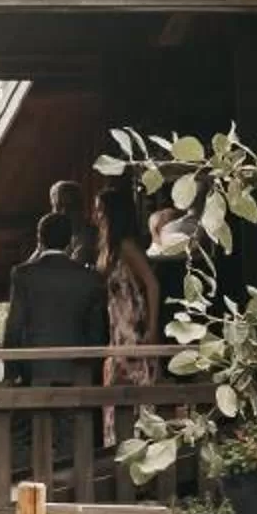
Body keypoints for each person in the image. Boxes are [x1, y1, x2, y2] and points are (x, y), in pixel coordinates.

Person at [3, 210, 110, 385]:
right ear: (70, 240)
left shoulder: (24, 274)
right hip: (78, 369)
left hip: (34, 367)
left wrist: (11, 370)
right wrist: (94, 370)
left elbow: (15, 324)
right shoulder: (90, 278)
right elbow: (96, 330)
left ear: (40, 239)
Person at [96, 182, 163, 432]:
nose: (97, 216)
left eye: (101, 210)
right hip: (119, 335)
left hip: (135, 330)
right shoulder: (110, 250)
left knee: (138, 402)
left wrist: (153, 328)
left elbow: (152, 284)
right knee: (117, 399)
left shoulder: (126, 247)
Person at [48, 178, 99, 270]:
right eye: (59, 206)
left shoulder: (88, 234)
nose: (64, 212)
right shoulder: (55, 234)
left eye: (70, 206)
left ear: (80, 207)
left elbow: (72, 270)